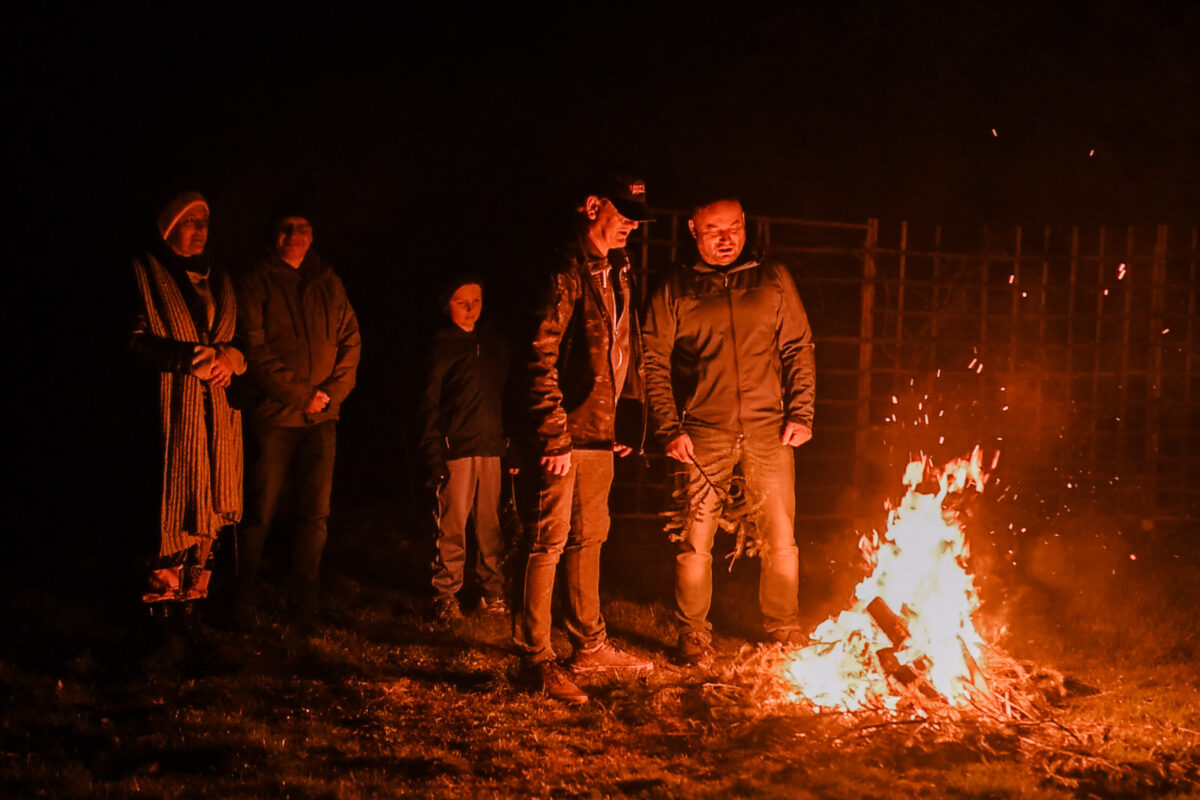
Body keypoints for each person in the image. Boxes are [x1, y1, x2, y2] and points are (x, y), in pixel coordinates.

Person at [641, 197, 816, 665]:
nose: (726, 238)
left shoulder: (771, 277)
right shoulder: (676, 285)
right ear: (693, 230)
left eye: (734, 227)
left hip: (768, 430)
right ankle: (693, 632)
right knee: (695, 538)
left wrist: (801, 412)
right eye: (714, 230)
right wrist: (669, 426)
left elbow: (798, 345)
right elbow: (652, 359)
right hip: (702, 431)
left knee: (780, 535)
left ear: (745, 225)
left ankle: (783, 625)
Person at [517, 175, 656, 705]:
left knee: (590, 535)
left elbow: (624, 345)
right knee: (547, 540)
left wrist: (625, 419)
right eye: (623, 215)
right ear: (593, 206)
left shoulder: (617, 268)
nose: (631, 226)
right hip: (565, 430)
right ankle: (535, 658)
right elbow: (539, 353)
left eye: (636, 219)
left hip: (599, 429)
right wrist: (552, 433)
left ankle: (589, 645)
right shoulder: (564, 268)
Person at [234, 210, 361, 627]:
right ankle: (241, 596)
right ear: (274, 233)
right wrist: (301, 394)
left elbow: (351, 340)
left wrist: (330, 395)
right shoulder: (256, 280)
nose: (294, 235)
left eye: (303, 229)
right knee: (259, 511)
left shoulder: (328, 281)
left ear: (313, 234)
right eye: (287, 228)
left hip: (321, 419)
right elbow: (254, 348)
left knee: (315, 514)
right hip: (274, 416)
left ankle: (304, 601)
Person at [130, 191, 245, 622]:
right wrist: (188, 359)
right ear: (169, 227)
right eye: (190, 221)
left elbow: (238, 336)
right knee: (176, 500)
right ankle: (162, 602)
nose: (200, 230)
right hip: (172, 411)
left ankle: (194, 597)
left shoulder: (219, 277)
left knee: (210, 502)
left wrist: (230, 359)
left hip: (215, 410)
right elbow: (134, 341)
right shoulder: (146, 272)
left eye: (204, 222)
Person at [419, 274, 512, 625]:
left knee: (491, 527)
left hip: (490, 447)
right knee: (451, 526)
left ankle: (493, 592)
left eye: (476, 301)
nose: (471, 309)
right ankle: (445, 594)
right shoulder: (441, 347)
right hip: (455, 450)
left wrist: (509, 445)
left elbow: (506, 396)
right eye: (462, 302)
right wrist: (433, 452)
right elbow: (428, 404)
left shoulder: (494, 344)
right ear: (447, 305)